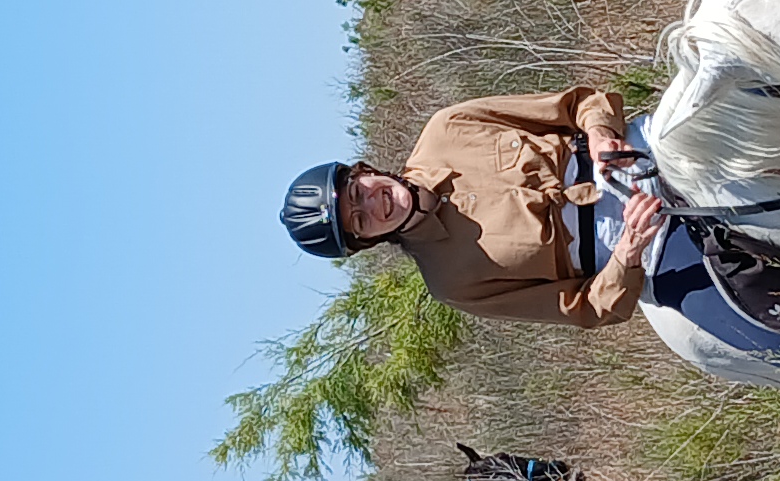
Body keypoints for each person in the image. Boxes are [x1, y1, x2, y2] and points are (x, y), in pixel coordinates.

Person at [281, 89, 667, 327]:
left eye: (356, 192)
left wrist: (600, 135)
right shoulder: (452, 285)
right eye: (360, 221)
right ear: (367, 241)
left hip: (632, 155)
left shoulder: (448, 126)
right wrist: (628, 252)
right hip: (639, 250)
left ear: (361, 171)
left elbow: (578, 104)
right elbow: (585, 309)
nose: (372, 204)